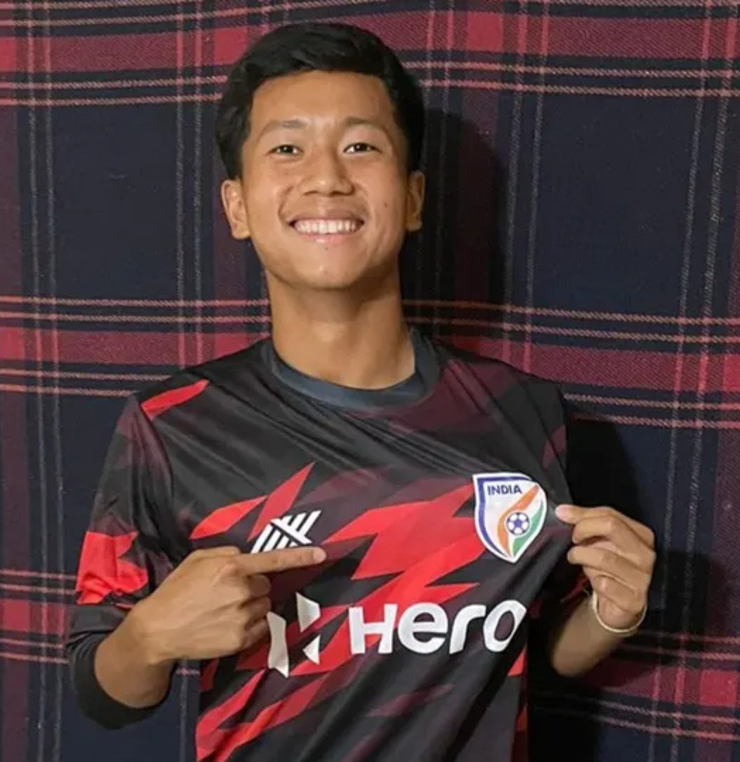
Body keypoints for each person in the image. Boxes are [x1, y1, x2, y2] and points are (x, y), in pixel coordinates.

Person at [66, 21, 656, 762]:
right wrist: (151, 636)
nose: (326, 178)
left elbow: (542, 652)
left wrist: (614, 611)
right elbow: (101, 690)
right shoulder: (172, 425)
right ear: (237, 206)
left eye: (360, 147)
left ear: (412, 198)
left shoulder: (528, 414)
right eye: (287, 149)